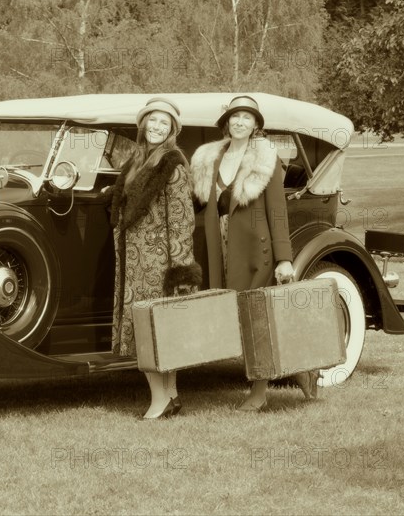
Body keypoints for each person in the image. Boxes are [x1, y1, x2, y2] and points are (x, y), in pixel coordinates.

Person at [190, 95, 318, 411]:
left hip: (254, 252)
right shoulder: (209, 159)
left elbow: (277, 211)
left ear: (256, 125)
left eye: (248, 118)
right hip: (217, 249)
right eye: (235, 117)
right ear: (226, 123)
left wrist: (284, 258)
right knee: (229, 316)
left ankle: (259, 391)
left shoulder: (266, 159)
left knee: (255, 318)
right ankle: (302, 369)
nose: (240, 122)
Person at [109, 97, 202, 419]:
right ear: (143, 124)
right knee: (158, 329)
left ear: (172, 129)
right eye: (152, 121)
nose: (157, 127)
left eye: (164, 123)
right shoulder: (136, 160)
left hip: (158, 263)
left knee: (153, 330)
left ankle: (159, 400)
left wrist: (180, 268)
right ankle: (172, 396)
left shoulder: (172, 164)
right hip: (134, 262)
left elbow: (181, 219)